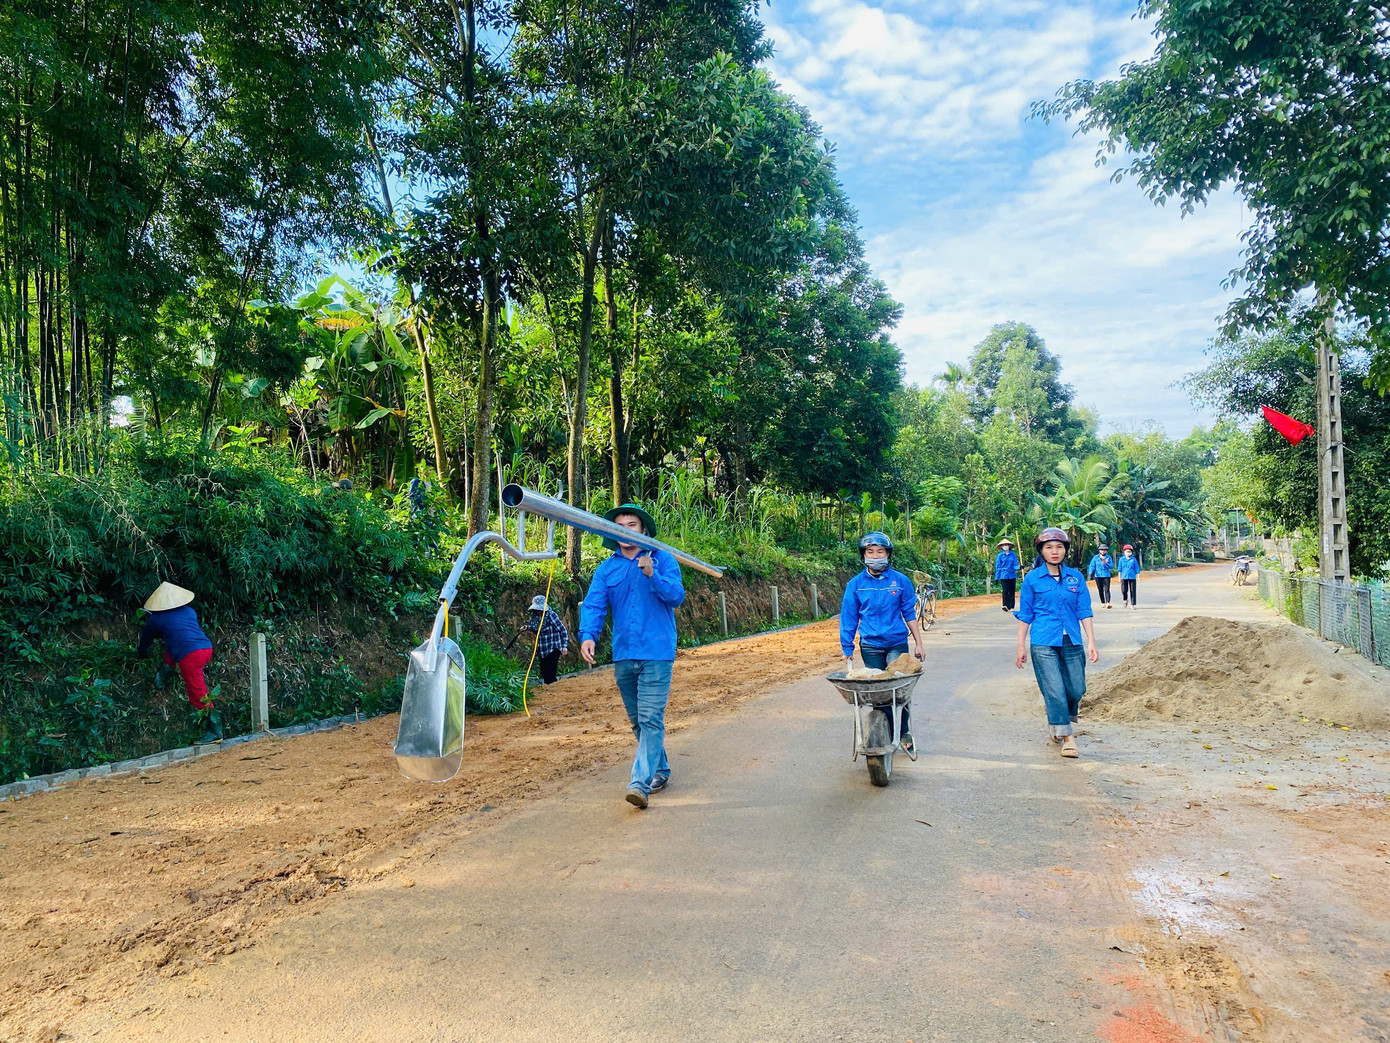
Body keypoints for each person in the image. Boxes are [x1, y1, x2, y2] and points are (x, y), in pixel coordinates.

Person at [579, 502, 685, 810]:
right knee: (639, 721)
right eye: (619, 526)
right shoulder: (606, 569)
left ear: (644, 530)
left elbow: (676, 596)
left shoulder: (663, 560)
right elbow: (595, 605)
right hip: (624, 653)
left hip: (657, 652)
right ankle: (660, 770)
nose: (626, 532)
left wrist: (653, 574)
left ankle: (639, 783)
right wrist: (588, 636)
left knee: (651, 718)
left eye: (632, 526)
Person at [839, 532, 927, 754]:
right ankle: (885, 730)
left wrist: (919, 643)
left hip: (897, 642)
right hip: (870, 644)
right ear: (864, 555)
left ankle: (904, 731)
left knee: (899, 688)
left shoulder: (901, 581)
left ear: (888, 554)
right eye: (870, 552)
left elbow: (909, 613)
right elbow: (849, 617)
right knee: (879, 692)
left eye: (880, 552)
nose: (875, 556)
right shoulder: (856, 585)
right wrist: (846, 648)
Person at [1014, 527, 1098, 759]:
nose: (1054, 551)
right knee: (1054, 690)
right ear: (1041, 550)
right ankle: (1067, 736)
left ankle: (1058, 720)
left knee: (1076, 689)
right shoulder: (1032, 579)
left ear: (1065, 550)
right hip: (1043, 641)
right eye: (1049, 547)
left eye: (1059, 547)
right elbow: (1026, 613)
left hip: (1071, 638)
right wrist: (1021, 645)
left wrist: (1091, 641)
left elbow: (1084, 610)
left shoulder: (1075, 577)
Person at [137, 582, 222, 744]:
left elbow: (146, 640)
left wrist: (142, 653)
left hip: (190, 656)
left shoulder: (155, 619)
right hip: (206, 648)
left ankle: (214, 732)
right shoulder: (189, 611)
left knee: (197, 693)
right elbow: (180, 632)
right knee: (171, 653)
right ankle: (163, 674)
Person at [522, 594, 570, 684]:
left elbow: (562, 630)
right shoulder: (535, 617)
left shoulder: (551, 615)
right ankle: (551, 691)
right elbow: (536, 628)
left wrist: (564, 646)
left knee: (550, 674)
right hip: (543, 649)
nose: (538, 611)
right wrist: (527, 627)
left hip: (553, 648)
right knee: (544, 672)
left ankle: (555, 691)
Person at [994, 538, 1020, 611]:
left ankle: (1011, 606)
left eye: (1006, 545)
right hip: (1003, 575)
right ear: (1002, 546)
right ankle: (1005, 605)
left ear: (1009, 546)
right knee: (1005, 590)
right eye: (1004, 545)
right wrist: (997, 577)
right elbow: (998, 567)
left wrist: (1019, 567)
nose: (1005, 546)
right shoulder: (999, 556)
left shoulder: (1013, 555)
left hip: (1012, 575)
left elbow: (1015, 565)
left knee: (1011, 591)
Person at [1087, 542, 1115, 609]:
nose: (1103, 551)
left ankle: (1108, 602)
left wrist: (1106, 563)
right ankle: (1103, 602)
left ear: (1106, 551)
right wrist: (1090, 573)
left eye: (1104, 550)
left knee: (1107, 589)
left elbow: (1111, 566)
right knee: (1100, 589)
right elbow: (1092, 566)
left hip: (1106, 575)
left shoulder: (1108, 558)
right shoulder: (1095, 558)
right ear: (1099, 550)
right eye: (1102, 550)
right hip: (1098, 576)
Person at [1118, 544, 1142, 609]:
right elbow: (1119, 569)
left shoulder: (1133, 559)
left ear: (1131, 552)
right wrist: (1119, 578)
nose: (1128, 553)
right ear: (1124, 552)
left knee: (1132, 591)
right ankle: (1125, 600)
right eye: (1127, 552)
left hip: (1132, 577)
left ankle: (1132, 604)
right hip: (1124, 577)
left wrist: (1138, 577)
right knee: (1124, 590)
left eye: (1129, 552)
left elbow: (1137, 568)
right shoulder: (1121, 559)